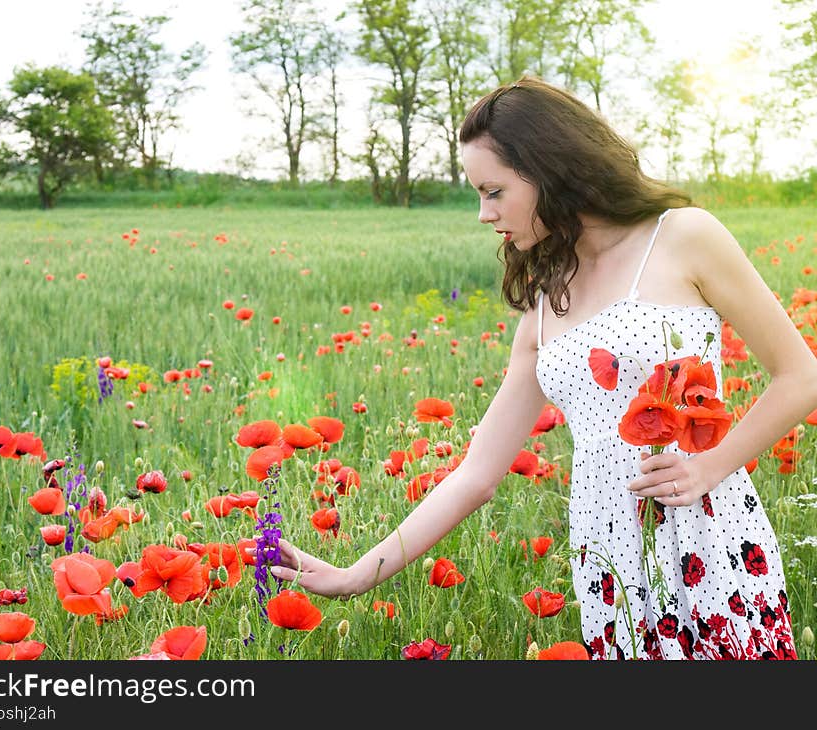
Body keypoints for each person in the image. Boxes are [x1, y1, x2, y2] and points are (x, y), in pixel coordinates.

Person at [259, 77, 817, 660]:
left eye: (494, 191)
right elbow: (476, 475)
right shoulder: (545, 307)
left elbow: (800, 376)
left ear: (547, 169)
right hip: (611, 558)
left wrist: (709, 469)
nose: (483, 214)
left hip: (708, 535)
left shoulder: (683, 237)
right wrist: (355, 575)